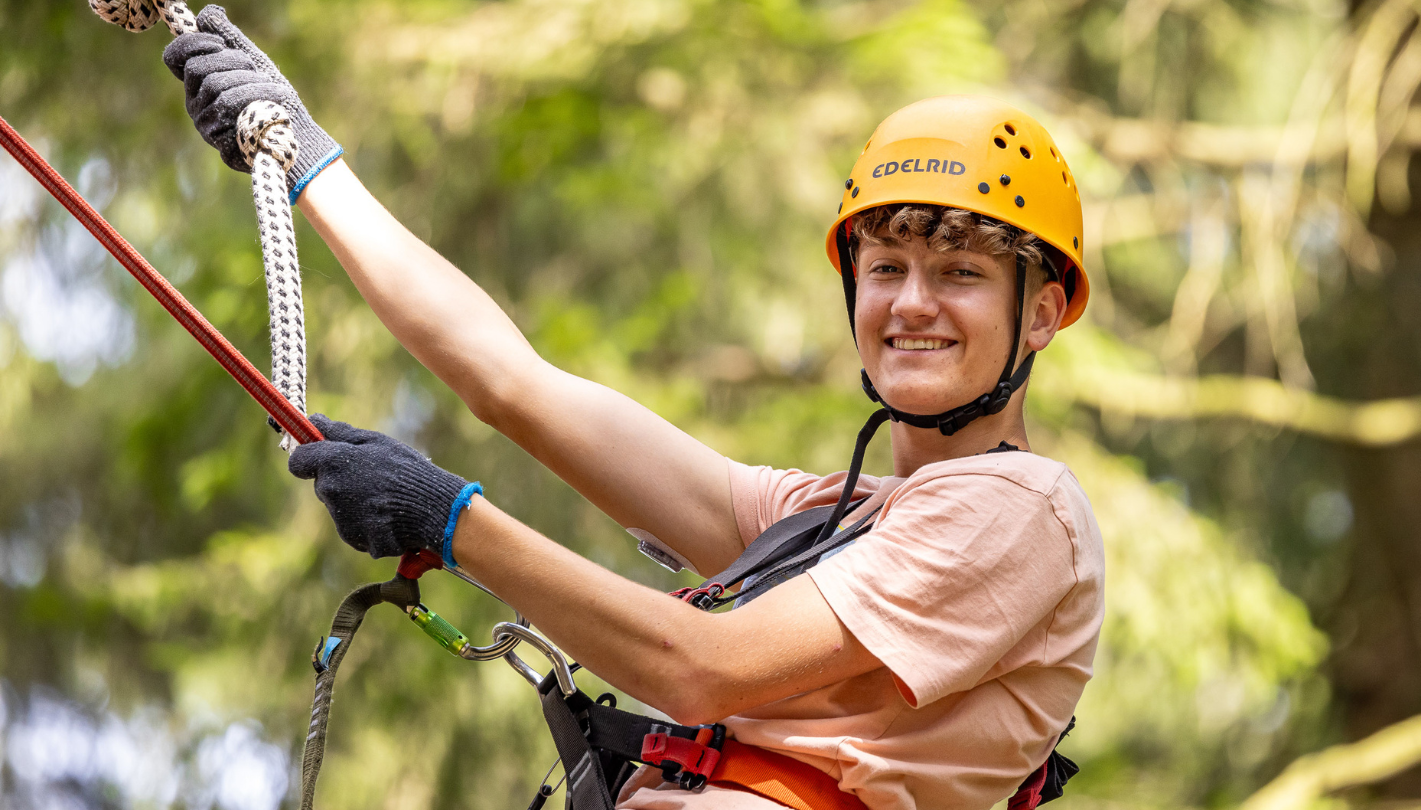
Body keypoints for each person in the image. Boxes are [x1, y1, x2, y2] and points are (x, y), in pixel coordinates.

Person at [164, 7, 1105, 809]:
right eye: (887, 268)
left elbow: (700, 667)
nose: (910, 304)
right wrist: (305, 161)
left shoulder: (1024, 511)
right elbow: (510, 384)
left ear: (1044, 313)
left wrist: (451, 522)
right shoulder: (819, 522)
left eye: (962, 275)